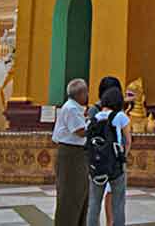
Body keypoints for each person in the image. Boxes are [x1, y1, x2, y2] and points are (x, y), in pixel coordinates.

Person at [86, 83, 129, 226]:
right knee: (118, 203)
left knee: (94, 203)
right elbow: (128, 141)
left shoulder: (95, 117)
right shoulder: (121, 116)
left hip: (96, 165)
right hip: (115, 165)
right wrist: (123, 157)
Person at [51, 79, 90, 226]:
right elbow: (80, 131)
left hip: (77, 154)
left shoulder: (73, 107)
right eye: (85, 92)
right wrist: (95, 125)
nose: (87, 95)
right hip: (71, 154)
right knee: (70, 194)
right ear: (80, 94)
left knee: (80, 192)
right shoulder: (71, 109)